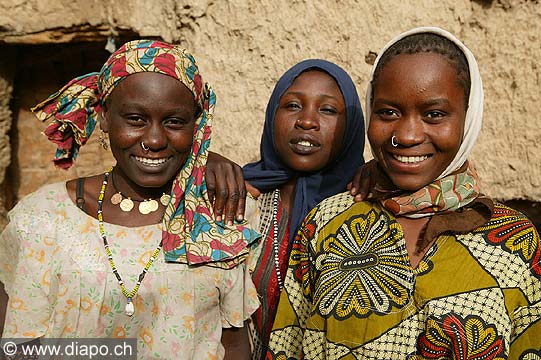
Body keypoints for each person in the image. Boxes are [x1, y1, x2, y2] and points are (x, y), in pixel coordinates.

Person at [267, 27, 541, 359]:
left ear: (468, 117)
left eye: (434, 114)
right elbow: (287, 347)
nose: (407, 135)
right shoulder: (327, 223)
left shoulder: (515, 242)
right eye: (388, 112)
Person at [0, 39, 261, 359]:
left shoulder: (212, 220)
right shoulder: (43, 220)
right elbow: (18, 348)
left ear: (196, 125)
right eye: (136, 119)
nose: (154, 140)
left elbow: (234, 345)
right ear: (105, 117)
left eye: (174, 122)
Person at [242, 59, 366, 359]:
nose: (307, 121)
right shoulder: (237, 199)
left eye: (327, 110)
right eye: (293, 106)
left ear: (350, 128)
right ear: (272, 114)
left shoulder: (366, 209)